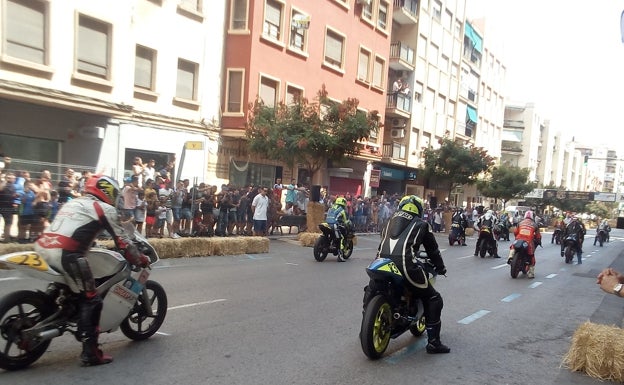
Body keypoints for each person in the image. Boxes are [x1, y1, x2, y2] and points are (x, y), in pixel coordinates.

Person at [34, 175, 149, 366]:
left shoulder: (75, 202)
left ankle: (54, 310)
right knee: (92, 299)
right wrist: (139, 258)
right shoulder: (104, 208)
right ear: (108, 191)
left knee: (68, 286)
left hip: (43, 248)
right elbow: (123, 242)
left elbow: (75, 228)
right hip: (68, 254)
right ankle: (90, 352)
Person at [376, 195, 450, 354]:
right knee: (433, 298)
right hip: (406, 266)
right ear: (419, 209)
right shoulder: (422, 224)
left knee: (372, 289)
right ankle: (434, 342)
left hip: (380, 262)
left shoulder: (389, 221)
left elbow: (382, 242)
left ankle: (365, 328)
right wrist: (441, 268)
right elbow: (433, 250)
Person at [507, 211, 542, 279]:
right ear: (532, 217)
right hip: (528, 242)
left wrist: (517, 237)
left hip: (519, 239)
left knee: (513, 247)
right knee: (531, 256)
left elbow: (515, 232)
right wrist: (539, 241)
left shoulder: (520, 223)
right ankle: (531, 273)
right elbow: (538, 236)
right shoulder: (535, 225)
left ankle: (510, 256)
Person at [324, 196, 352, 262]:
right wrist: (349, 223)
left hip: (327, 224)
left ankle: (328, 244)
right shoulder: (342, 210)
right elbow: (345, 221)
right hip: (334, 225)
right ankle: (340, 256)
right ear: (343, 203)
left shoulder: (331, 208)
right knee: (341, 238)